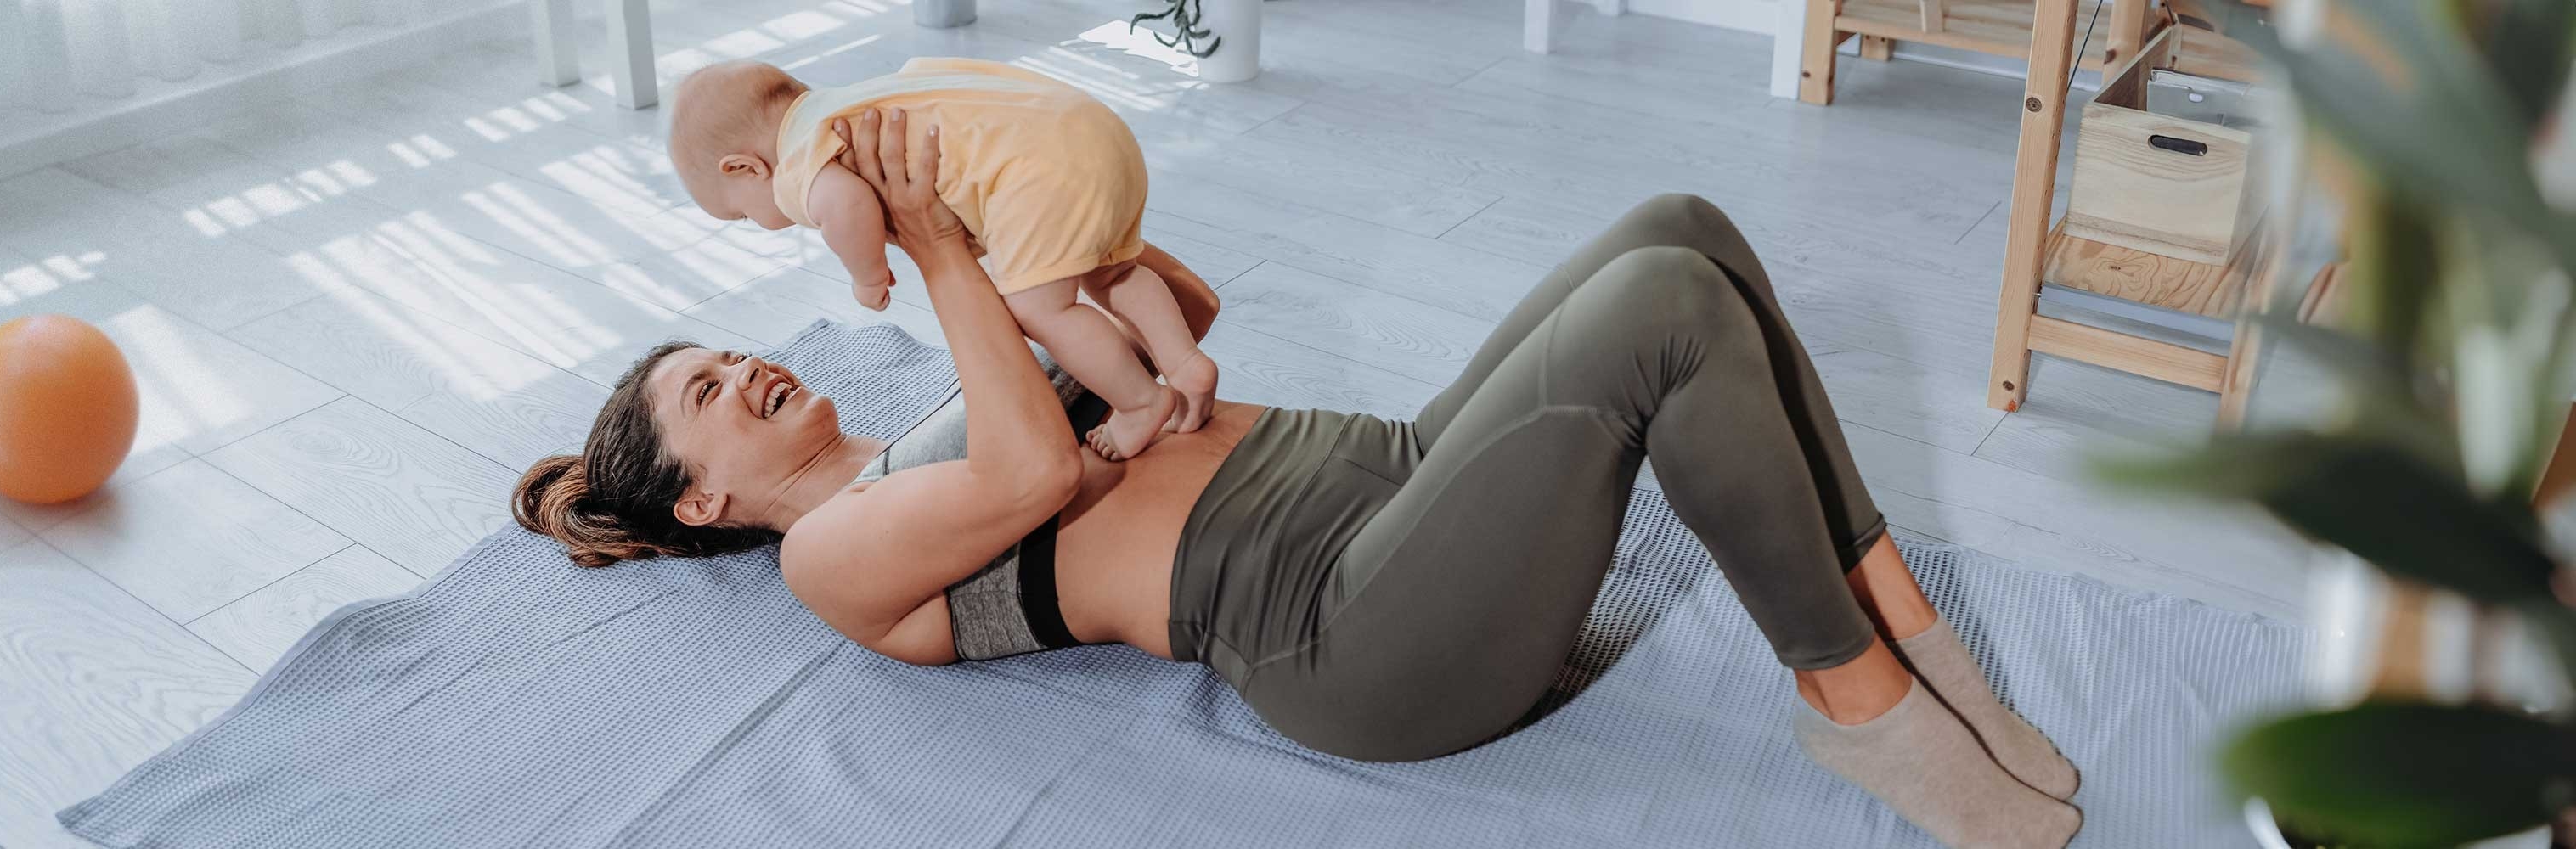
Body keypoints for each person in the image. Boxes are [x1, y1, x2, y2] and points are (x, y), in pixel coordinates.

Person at [523, 108, 2082, 848]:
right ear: (708, 500)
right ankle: (1856, 712)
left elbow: (1180, 312)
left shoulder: (949, 384)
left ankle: (1912, 639)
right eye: (709, 402)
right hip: (1356, 632)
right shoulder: (832, 558)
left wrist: (1024, 219)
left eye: (726, 354)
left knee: (1678, 229)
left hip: (1402, 481)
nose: (744, 376)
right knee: (1662, 319)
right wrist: (937, 249)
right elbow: (1028, 469)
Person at [666, 58, 1218, 461]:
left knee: (1039, 307)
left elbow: (846, 203)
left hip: (1034, 176)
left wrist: (866, 276)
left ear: (743, 169)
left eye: (739, 215)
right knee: (1113, 270)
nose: (756, 220)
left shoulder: (796, 164)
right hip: (1089, 127)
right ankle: (1185, 362)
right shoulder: (855, 102)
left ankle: (1141, 403)